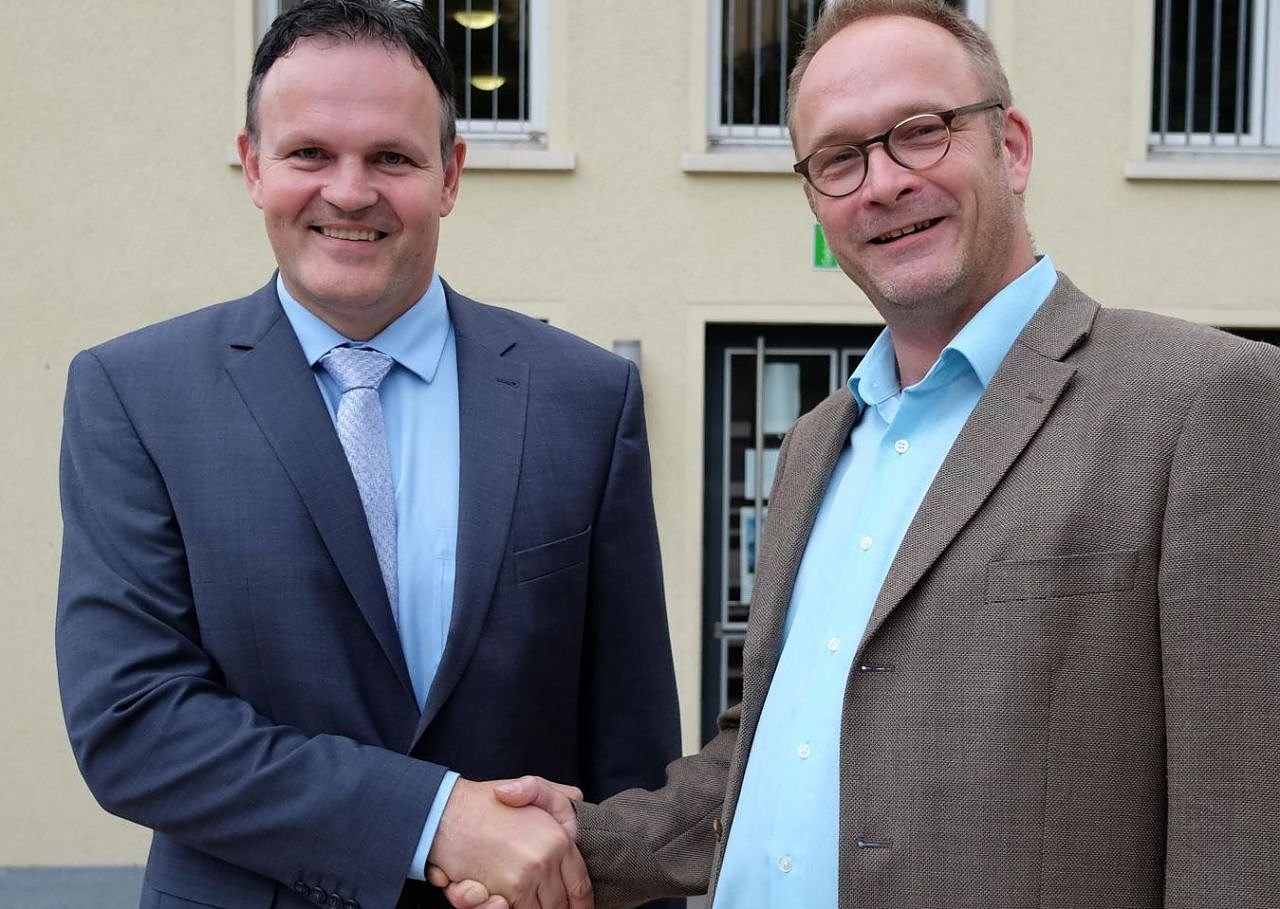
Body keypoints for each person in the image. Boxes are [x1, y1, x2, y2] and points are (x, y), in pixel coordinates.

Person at [437, 1, 1280, 906]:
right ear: (814, 199)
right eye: (839, 158)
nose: (882, 183)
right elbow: (769, 749)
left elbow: (1241, 825)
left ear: (1012, 147)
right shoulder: (817, 442)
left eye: (920, 132)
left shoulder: (1203, 400)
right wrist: (576, 842)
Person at [54, 2, 681, 908]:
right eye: (310, 152)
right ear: (254, 166)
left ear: (450, 174)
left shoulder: (584, 397)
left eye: (391, 157)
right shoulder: (136, 394)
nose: (349, 192)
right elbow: (134, 722)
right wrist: (434, 819)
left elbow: (631, 752)